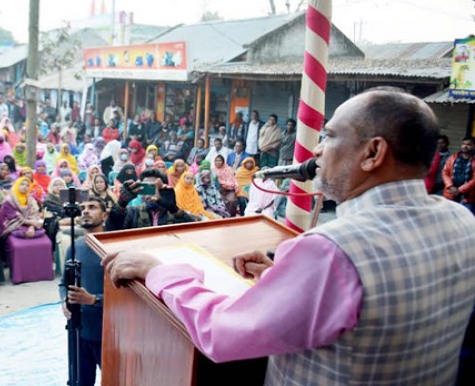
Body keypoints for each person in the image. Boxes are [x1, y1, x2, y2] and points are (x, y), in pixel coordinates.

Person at [102, 88, 475, 385]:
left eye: (329, 136)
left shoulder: (331, 252)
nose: (316, 149)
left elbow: (221, 332)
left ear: (372, 152)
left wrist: (157, 270)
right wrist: (283, 280)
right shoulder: (462, 222)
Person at [58, 197, 108, 386]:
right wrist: (64, 301)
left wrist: (94, 299)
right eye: (83, 208)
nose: (85, 211)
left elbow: (126, 295)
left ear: (104, 215)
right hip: (78, 329)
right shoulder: (75, 247)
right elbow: (63, 283)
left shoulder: (113, 248)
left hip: (106, 331)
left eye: (92, 207)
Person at [0, 177, 53, 284]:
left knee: (46, 243)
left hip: (31, 225)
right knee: (18, 246)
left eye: (27, 185)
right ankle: (20, 276)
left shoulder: (30, 199)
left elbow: (35, 214)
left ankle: (42, 274)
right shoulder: (9, 200)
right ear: (17, 185)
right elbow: (12, 217)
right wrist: (30, 223)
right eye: (22, 184)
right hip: (14, 227)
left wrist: (32, 226)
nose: (24, 187)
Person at [106, 168, 195, 230]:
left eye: (153, 188)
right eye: (146, 188)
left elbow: (191, 231)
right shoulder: (133, 213)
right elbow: (112, 230)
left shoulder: (173, 214)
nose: (149, 194)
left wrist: (174, 209)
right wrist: (121, 204)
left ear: (163, 188)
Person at [442, 136, 475, 213]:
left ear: (474, 146)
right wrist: (450, 186)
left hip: (467, 197)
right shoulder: (452, 158)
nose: (465, 146)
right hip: (450, 194)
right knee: (447, 218)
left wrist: (460, 190)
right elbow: (445, 172)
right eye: (463, 144)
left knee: (464, 220)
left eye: (469, 144)